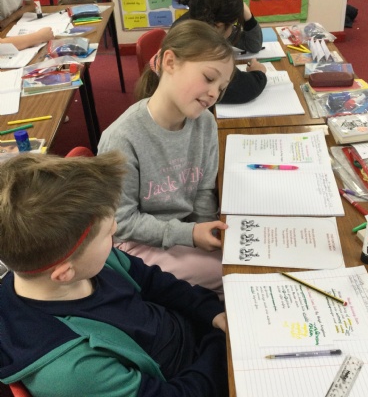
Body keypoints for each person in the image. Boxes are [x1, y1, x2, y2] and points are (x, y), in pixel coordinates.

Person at [0, 152, 228, 397]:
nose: (116, 230)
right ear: (65, 273)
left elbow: (152, 280)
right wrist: (222, 344)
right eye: (108, 234)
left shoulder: (80, 263)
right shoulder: (75, 371)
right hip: (198, 376)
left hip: (198, 342)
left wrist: (211, 312)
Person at [98, 20, 234, 300]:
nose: (214, 93)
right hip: (134, 248)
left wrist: (207, 231)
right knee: (234, 274)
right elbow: (122, 222)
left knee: (240, 258)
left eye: (221, 87)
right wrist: (191, 235)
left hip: (181, 234)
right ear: (170, 62)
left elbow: (203, 191)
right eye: (209, 78)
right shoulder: (122, 138)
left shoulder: (205, 123)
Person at [174, 0, 267, 104]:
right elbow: (244, 88)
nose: (232, 29)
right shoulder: (196, 45)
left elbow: (253, 45)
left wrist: (247, 15)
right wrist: (259, 73)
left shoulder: (204, 19)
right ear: (219, 26)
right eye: (232, 24)